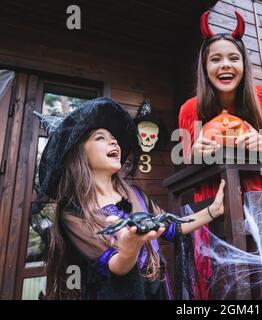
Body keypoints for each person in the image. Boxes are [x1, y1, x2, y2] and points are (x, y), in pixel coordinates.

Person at [33, 97, 225, 299]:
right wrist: (127, 252)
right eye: (100, 137)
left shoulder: (134, 193)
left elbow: (172, 227)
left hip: (156, 291)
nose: (113, 141)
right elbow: (113, 266)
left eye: (113, 138)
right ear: (79, 153)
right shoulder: (72, 212)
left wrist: (213, 210)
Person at [177, 11, 262, 300]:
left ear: (244, 65)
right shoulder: (190, 109)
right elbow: (185, 157)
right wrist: (194, 153)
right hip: (219, 207)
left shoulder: (260, 97)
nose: (225, 65)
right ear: (205, 67)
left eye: (233, 58)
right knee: (231, 286)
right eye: (216, 59)